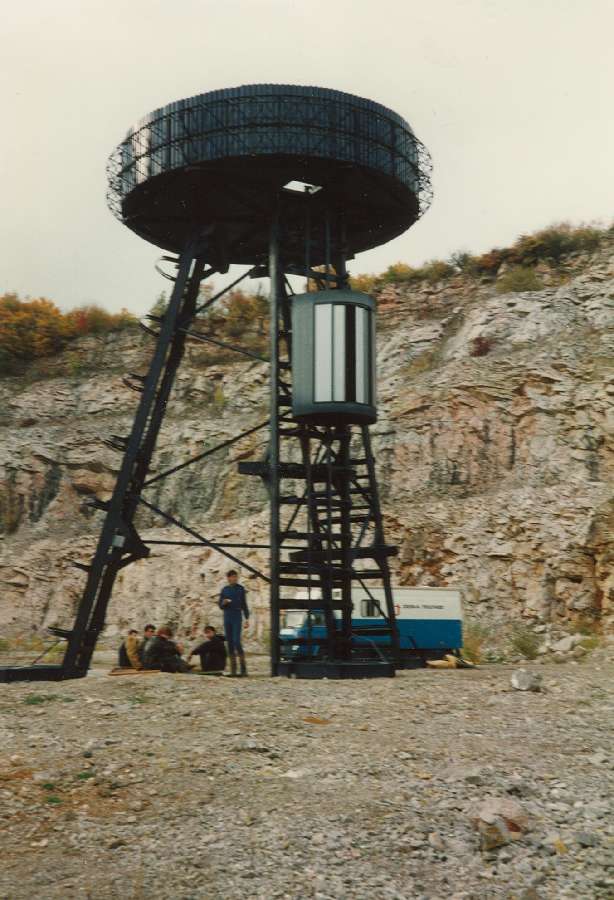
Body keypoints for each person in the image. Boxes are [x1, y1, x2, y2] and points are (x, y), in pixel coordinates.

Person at [218, 570, 249, 677]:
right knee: (230, 642)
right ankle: (233, 670)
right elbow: (220, 606)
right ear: (228, 578)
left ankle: (243, 669)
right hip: (227, 616)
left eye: (236, 577)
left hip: (237, 616)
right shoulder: (224, 590)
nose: (235, 579)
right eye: (232, 577)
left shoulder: (241, 589)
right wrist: (224, 602)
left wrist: (247, 618)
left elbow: (244, 604)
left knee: (237, 641)